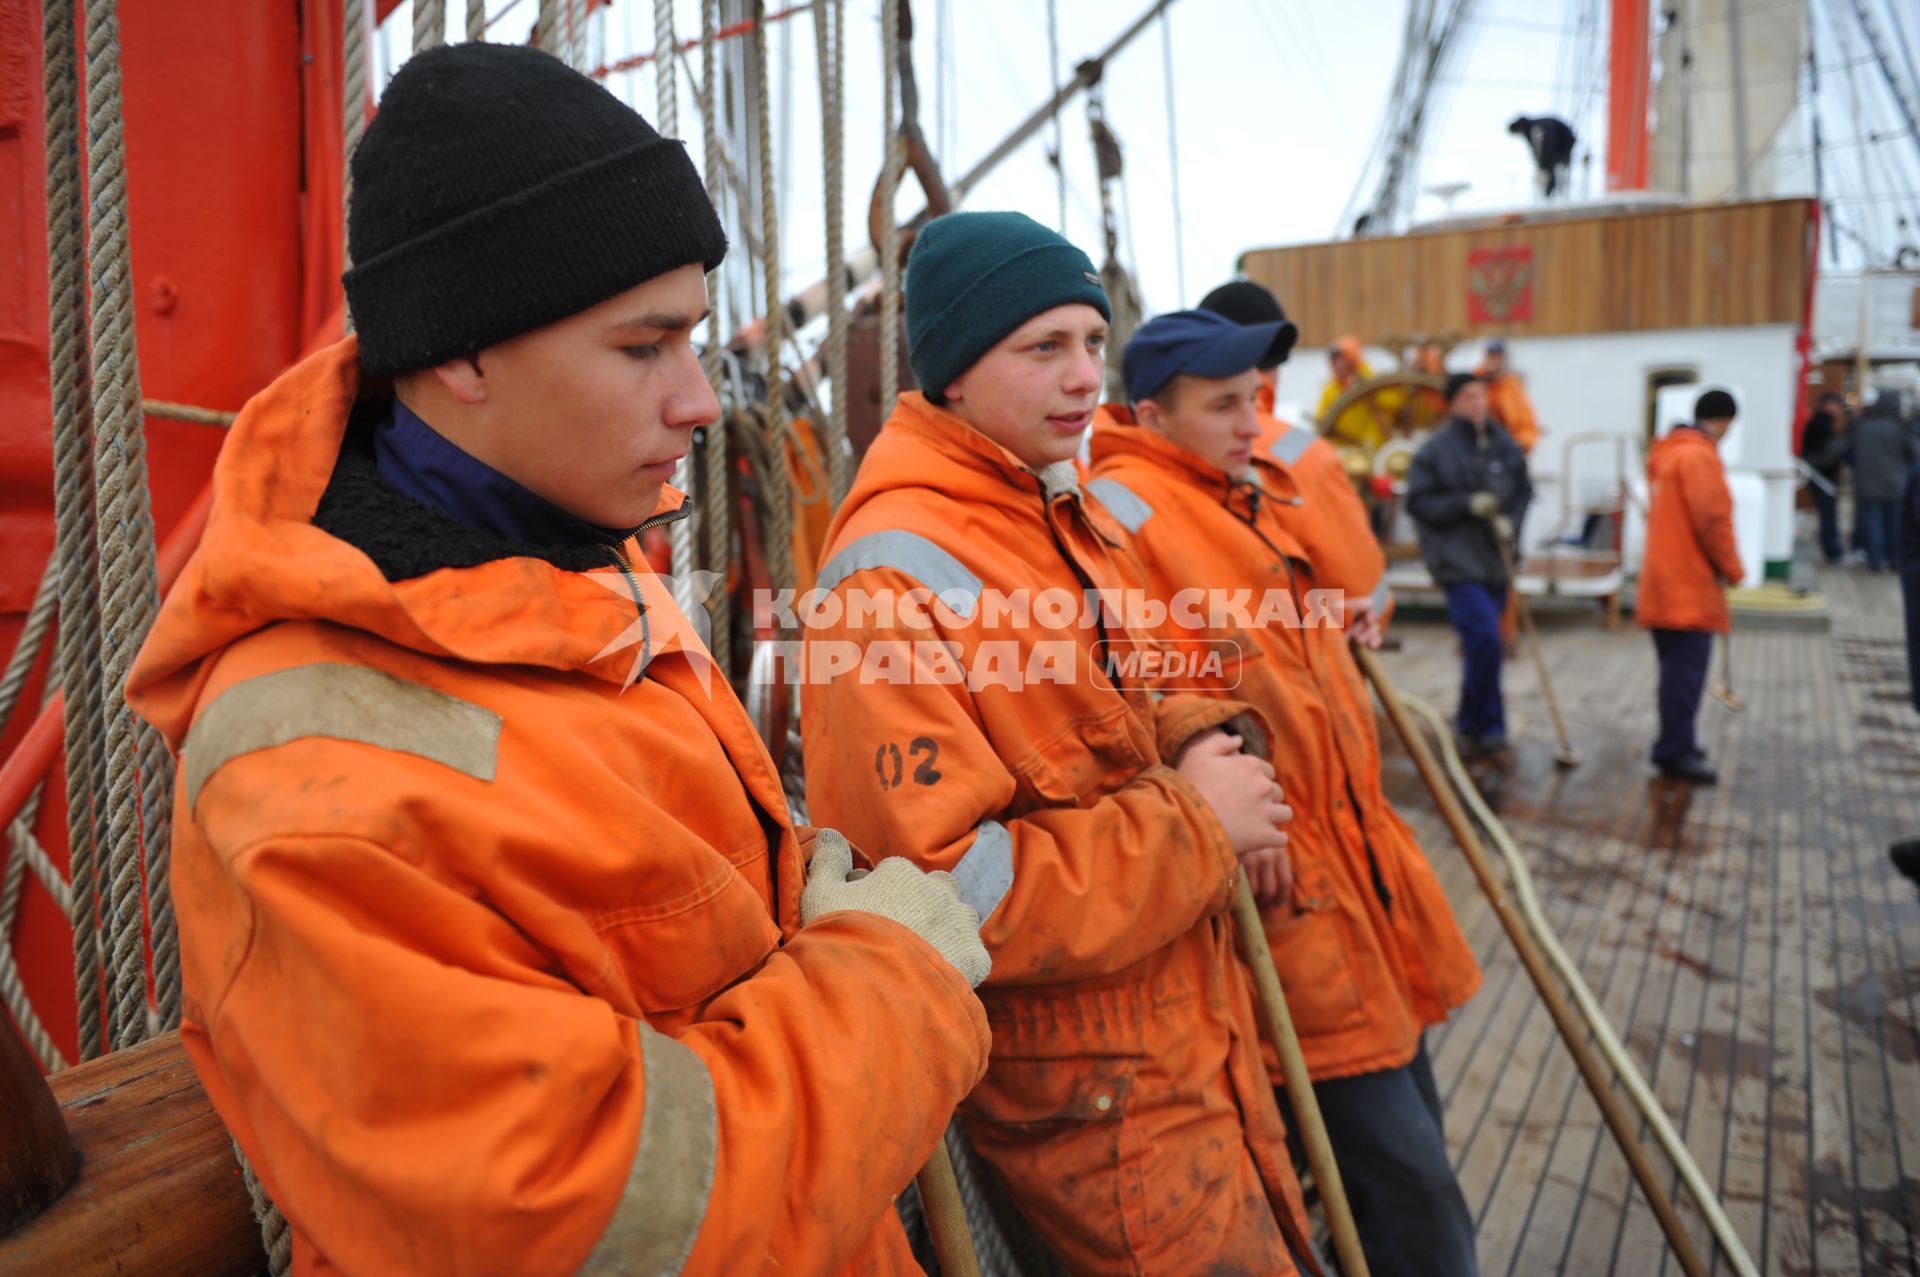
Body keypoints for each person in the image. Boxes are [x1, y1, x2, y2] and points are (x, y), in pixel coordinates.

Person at [124, 44, 992, 1276]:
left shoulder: (577, 557)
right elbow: (595, 1218)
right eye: (645, 348)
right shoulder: (311, 773)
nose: (700, 400)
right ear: (461, 354)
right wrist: (895, 973)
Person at [800, 212, 1322, 1275]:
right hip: (1093, 1098)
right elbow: (939, 890)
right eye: (1042, 348)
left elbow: (1149, 669)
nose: (1085, 375)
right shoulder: (889, 580)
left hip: (1186, 1025)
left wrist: (1204, 734)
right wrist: (1196, 824)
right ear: (950, 372)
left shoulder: (1060, 509)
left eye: (1092, 340)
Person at [1089, 309, 1485, 1277]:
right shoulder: (1129, 513)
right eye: (1224, 404)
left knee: (1408, 1146)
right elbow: (1143, 675)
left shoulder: (1242, 496)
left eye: (1254, 400)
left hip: (1350, 874)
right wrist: (1224, 765)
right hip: (1289, 887)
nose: (1251, 420)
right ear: (1151, 413)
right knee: (1415, 1188)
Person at [1200, 280, 1395, 633]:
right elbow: (1364, 596)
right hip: (1296, 662)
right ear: (1276, 358)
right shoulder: (1306, 456)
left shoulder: (1153, 443)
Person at [1406, 372, 1533, 754]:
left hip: (1496, 560)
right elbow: (1420, 503)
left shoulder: (1502, 443)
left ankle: (1468, 717)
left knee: (1482, 645)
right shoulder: (1435, 451)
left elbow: (1523, 490)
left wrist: (1511, 521)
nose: (1476, 403)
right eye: (1467, 397)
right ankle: (1492, 724)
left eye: (1479, 395)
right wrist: (1466, 504)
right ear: (1452, 402)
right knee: (1486, 640)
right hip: (1457, 560)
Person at [1637, 389, 1746, 784]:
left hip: (1662, 583)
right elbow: (1712, 520)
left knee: (1673, 671)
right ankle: (1674, 751)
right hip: (1688, 587)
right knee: (1684, 675)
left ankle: (1677, 740)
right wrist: (1734, 570)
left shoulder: (1667, 453)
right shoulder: (1699, 457)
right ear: (1724, 422)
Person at [1851, 392, 1918, 571]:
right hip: (1896, 485)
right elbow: (1914, 453)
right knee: (1895, 527)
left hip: (1868, 486)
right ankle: (1894, 560)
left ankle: (1876, 560)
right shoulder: (1900, 428)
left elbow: (1846, 450)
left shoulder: (1863, 427)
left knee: (1873, 525)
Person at [1317, 333, 1403, 452]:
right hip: (1346, 453)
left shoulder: (1374, 381)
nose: (1338, 365)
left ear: (1352, 360)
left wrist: (1368, 388)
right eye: (1334, 361)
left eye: (1342, 359)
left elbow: (1396, 402)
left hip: (1377, 453)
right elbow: (1321, 422)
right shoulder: (1330, 390)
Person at [1799, 391, 1850, 563]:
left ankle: (1833, 550)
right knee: (1828, 516)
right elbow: (1823, 455)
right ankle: (1833, 552)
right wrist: (1843, 446)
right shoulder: (1821, 425)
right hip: (1822, 479)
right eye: (1837, 406)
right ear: (1828, 406)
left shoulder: (1819, 423)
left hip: (1822, 477)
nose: (1840, 410)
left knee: (1828, 515)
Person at [1476, 338, 1540, 454]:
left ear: (1504, 360)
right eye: (1490, 356)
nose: (1493, 361)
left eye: (1498, 357)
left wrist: (1521, 445)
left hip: (1505, 448)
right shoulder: (1472, 383)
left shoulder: (1512, 388)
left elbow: (1527, 425)